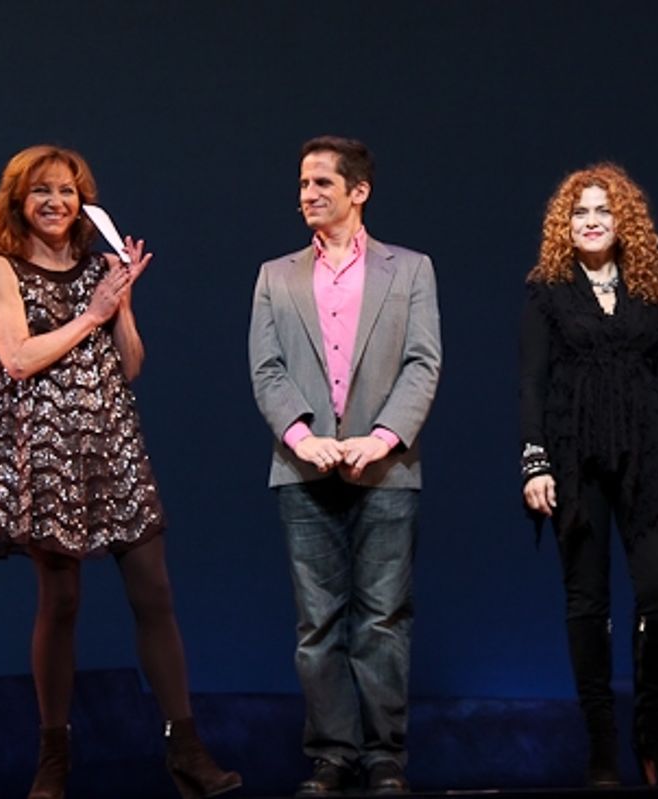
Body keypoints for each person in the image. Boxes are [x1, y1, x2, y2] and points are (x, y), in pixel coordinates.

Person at [0, 146, 241, 799]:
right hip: (48, 454)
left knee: (155, 594)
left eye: (67, 190)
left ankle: (186, 749)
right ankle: (53, 756)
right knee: (60, 602)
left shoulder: (100, 269)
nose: (55, 202)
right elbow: (19, 357)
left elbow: (131, 364)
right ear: (17, 202)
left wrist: (123, 303)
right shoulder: (2, 268)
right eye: (41, 192)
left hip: (113, 447)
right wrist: (90, 315)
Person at [248, 136, 441, 797]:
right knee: (317, 623)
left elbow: (423, 362)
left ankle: (385, 756)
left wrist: (382, 436)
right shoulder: (277, 275)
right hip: (304, 470)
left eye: (323, 183)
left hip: (385, 469)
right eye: (303, 182)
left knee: (384, 617)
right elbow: (267, 367)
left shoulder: (410, 270)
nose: (308, 194)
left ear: (359, 191)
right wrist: (302, 436)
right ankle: (332, 754)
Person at [519, 163, 658, 788]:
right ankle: (602, 747)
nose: (591, 221)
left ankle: (653, 733)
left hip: (646, 457)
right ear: (565, 225)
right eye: (580, 213)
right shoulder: (547, 291)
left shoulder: (652, 291)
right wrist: (534, 460)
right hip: (574, 458)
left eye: (603, 211)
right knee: (587, 603)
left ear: (624, 222)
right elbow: (533, 383)